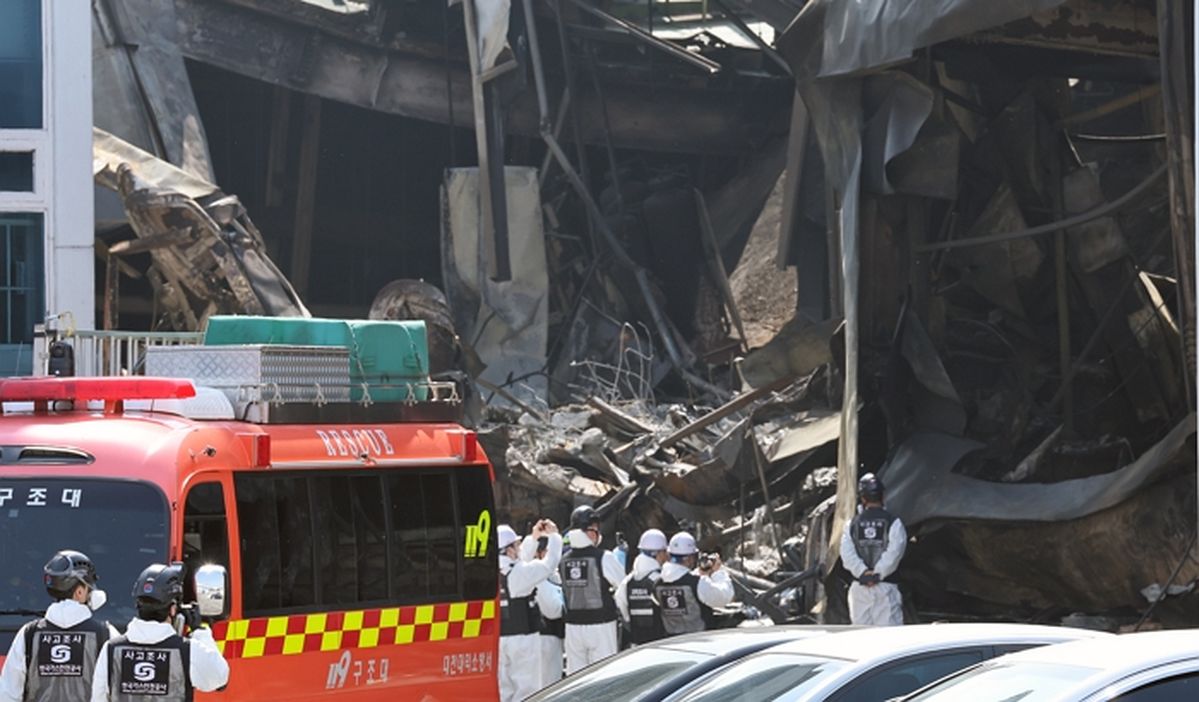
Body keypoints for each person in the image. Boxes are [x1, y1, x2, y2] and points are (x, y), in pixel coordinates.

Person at [91, 563, 228, 701]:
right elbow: (220, 678)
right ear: (173, 609)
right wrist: (199, 631)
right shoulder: (187, 651)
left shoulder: (111, 650)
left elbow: (98, 698)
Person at [0, 550, 118, 702]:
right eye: (90, 587)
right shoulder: (105, 635)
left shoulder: (28, 634)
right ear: (80, 591)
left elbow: (8, 695)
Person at [498, 520, 561, 702]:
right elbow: (549, 564)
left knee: (504, 690)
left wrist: (533, 538)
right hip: (523, 639)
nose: (518, 549)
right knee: (528, 690)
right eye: (516, 546)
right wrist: (554, 537)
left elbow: (521, 561)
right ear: (509, 550)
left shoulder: (496, 572)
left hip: (501, 639)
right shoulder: (520, 574)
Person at [559, 505, 624, 674]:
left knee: (576, 678)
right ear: (588, 531)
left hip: (573, 627)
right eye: (595, 529)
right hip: (601, 625)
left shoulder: (563, 560)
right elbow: (622, 585)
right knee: (606, 675)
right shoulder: (604, 557)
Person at [839, 473, 907, 626]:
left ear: (862, 499)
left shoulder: (852, 524)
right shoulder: (894, 522)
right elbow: (895, 552)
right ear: (883, 496)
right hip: (885, 588)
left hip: (860, 590)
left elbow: (846, 553)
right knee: (890, 639)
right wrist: (878, 573)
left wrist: (863, 573)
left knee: (862, 638)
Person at [655, 532, 735, 636]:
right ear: (689, 559)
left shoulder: (657, 584)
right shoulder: (698, 584)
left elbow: (679, 580)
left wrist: (701, 574)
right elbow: (724, 597)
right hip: (699, 642)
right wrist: (718, 572)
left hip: (672, 643)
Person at [615, 529, 668, 645]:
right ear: (657, 554)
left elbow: (620, 604)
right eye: (664, 551)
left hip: (637, 645)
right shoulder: (660, 579)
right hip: (660, 643)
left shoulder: (629, 581)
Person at [533, 537, 565, 688]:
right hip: (545, 639)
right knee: (548, 685)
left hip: (552, 637)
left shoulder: (553, 576)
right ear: (540, 553)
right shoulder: (540, 578)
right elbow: (553, 609)